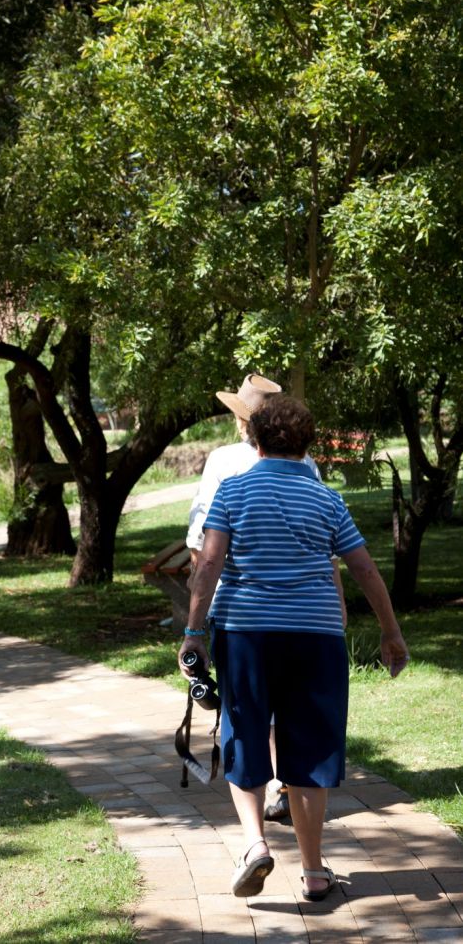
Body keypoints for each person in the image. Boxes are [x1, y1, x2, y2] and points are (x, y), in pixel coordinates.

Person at [178, 396, 409, 901]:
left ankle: (256, 845)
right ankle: (312, 870)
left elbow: (209, 565)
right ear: (307, 444)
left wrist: (194, 633)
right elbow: (364, 569)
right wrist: (391, 632)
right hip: (316, 637)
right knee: (310, 748)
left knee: (245, 733)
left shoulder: (232, 492)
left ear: (255, 439)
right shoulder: (327, 500)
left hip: (246, 635)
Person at [186, 374, 344, 822]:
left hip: (242, 612)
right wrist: (337, 601)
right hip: (309, 615)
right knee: (296, 708)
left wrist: (195, 624)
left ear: (245, 422)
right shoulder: (307, 464)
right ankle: (284, 786)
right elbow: (324, 545)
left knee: (248, 709)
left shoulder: (222, 462)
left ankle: (255, 825)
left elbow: (203, 545)